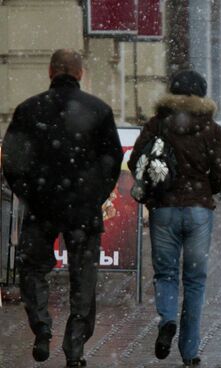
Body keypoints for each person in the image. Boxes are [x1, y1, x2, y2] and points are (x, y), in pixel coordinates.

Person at [1, 49, 123, 367]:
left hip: (42, 205)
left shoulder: (29, 109)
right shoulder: (98, 110)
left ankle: (42, 328)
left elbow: (12, 160)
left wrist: (30, 193)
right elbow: (112, 162)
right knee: (83, 278)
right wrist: (94, 195)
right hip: (82, 208)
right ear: (80, 74)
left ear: (50, 72)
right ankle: (75, 346)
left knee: (33, 269)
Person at [127, 70, 221, 367]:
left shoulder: (158, 123)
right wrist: (205, 192)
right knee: (195, 281)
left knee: (166, 274)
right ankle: (190, 352)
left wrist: (153, 194)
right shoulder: (211, 128)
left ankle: (167, 321)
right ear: (201, 95)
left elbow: (137, 162)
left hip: (164, 210)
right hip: (198, 211)